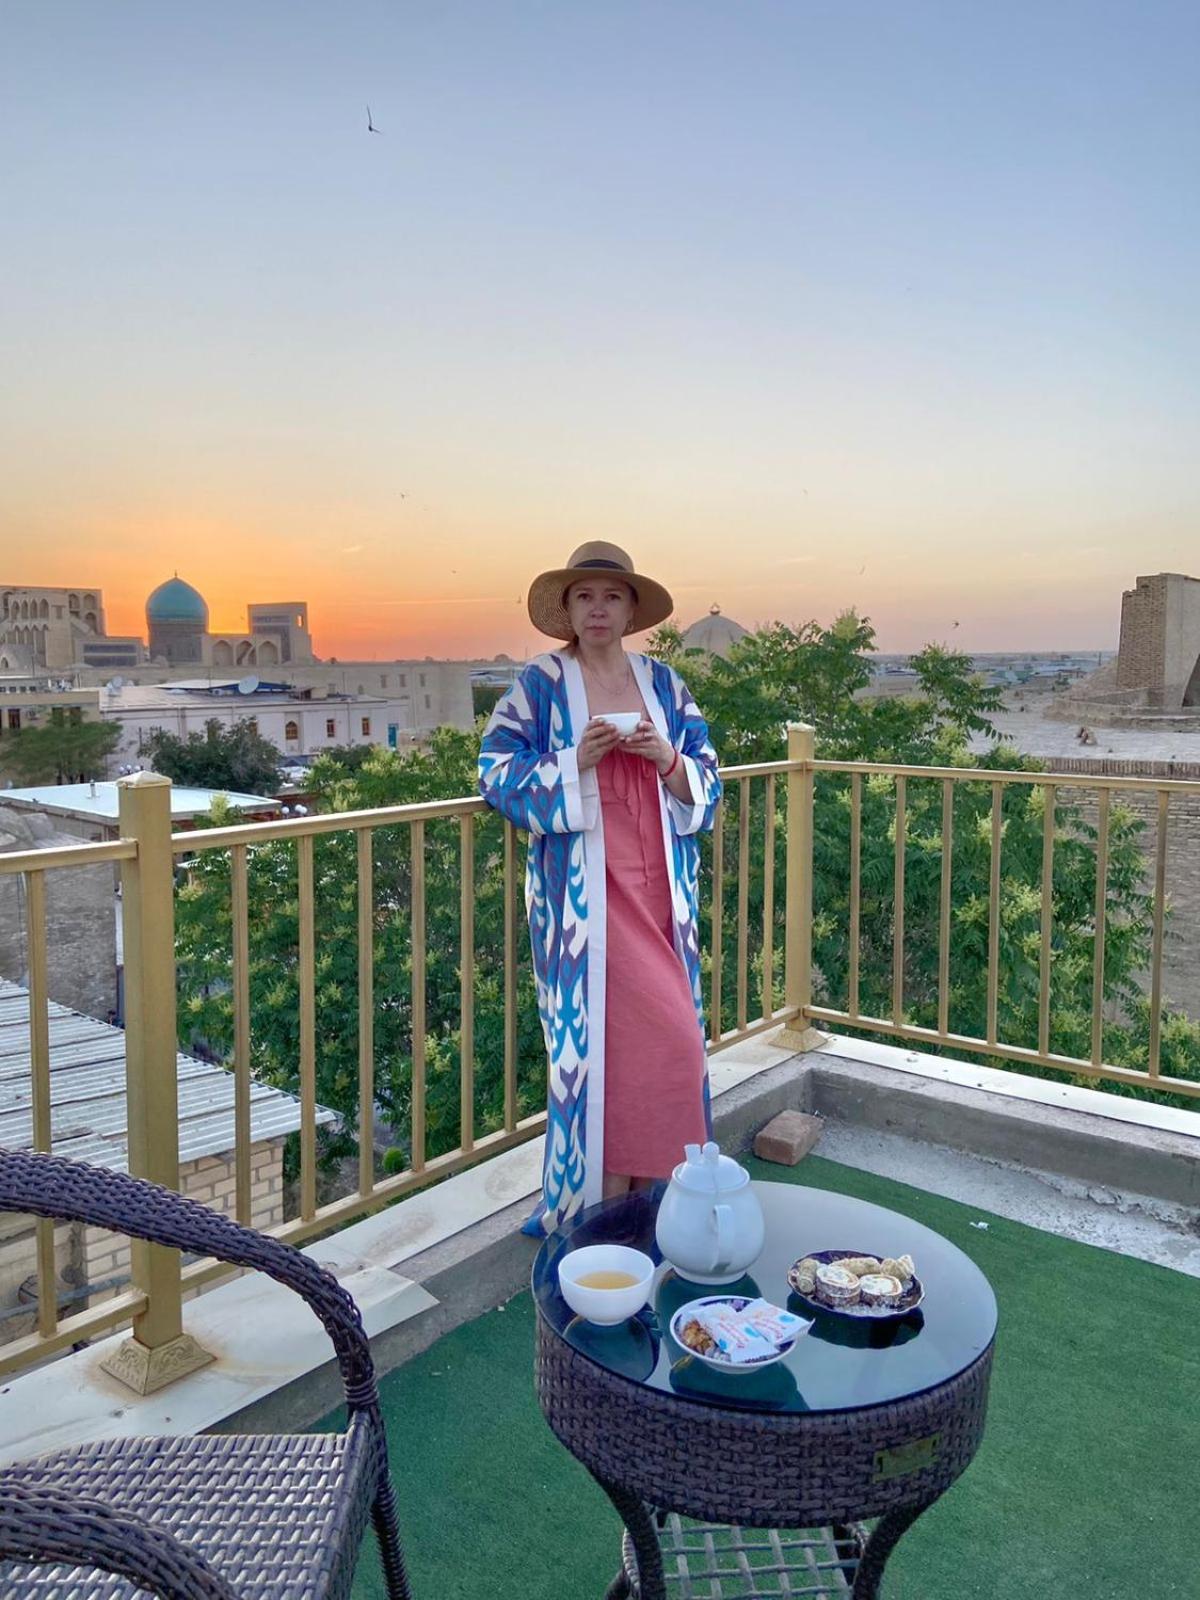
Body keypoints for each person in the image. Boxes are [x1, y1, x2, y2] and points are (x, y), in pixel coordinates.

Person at [478, 542, 721, 1234]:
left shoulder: (664, 685)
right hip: (586, 903)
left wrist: (666, 756)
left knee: (667, 1051)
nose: (598, 609)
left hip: (663, 895)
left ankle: (643, 1206)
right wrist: (572, 760)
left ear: (632, 609)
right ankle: (601, 1213)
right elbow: (494, 770)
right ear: (567, 608)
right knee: (616, 1054)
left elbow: (707, 777)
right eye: (584, 596)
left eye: (612, 596)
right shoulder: (541, 684)